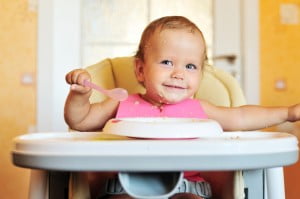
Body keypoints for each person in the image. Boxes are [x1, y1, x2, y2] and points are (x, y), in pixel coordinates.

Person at [64, 16, 300, 199]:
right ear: (140, 70)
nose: (178, 74)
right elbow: (81, 121)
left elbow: (240, 117)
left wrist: (288, 113)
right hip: (125, 186)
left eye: (190, 66)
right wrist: (80, 97)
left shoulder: (200, 110)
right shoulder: (121, 102)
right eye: (167, 62)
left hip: (187, 188)